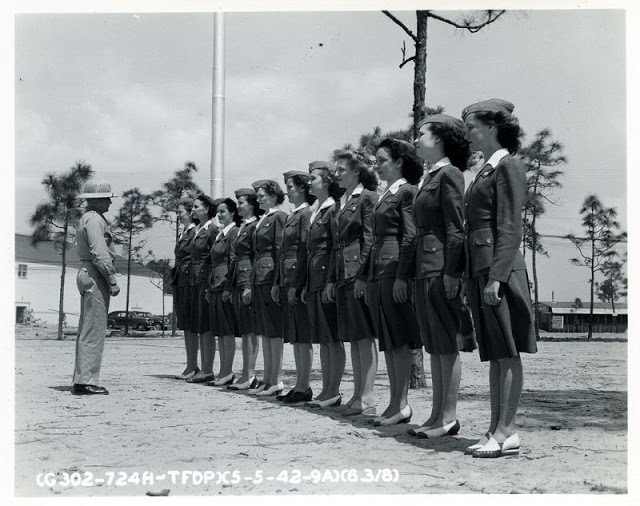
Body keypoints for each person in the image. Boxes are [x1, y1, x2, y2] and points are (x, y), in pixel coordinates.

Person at [461, 99, 537, 458]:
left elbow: (509, 227)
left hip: (499, 271)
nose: (467, 134)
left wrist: (496, 278)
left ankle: (507, 430)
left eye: (472, 127)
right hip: (483, 268)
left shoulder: (508, 165)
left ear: (492, 128)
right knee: (495, 354)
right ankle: (496, 430)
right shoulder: (486, 168)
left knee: (507, 351)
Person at [408, 113, 476, 439]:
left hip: (439, 267)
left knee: (446, 344)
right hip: (424, 267)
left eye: (422, 133)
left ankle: (448, 417)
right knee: (434, 345)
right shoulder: (430, 176)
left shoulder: (450, 174)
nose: (416, 138)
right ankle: (436, 415)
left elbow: (456, 228)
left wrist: (452, 271)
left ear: (439, 138)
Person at [368, 138, 422, 425]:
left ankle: (401, 404)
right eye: (376, 161)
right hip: (381, 268)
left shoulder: (406, 192)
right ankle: (394, 403)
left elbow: (411, 235)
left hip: (394, 268)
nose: (377, 166)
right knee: (389, 341)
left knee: (399, 340)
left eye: (382, 160)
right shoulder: (386, 194)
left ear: (399, 162)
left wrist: (403, 276)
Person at [331, 150, 379, 416]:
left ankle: (368, 396)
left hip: (357, 272)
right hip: (343, 273)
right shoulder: (344, 200)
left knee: (364, 335)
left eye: (341, 170)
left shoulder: (367, 198)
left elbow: (369, 239)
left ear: (356, 172)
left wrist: (363, 275)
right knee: (354, 337)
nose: (336, 174)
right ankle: (358, 393)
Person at [72, 182, 120, 396]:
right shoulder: (94, 220)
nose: (110, 202)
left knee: (88, 327)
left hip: (88, 271)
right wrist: (112, 279)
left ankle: (82, 378)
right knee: (94, 328)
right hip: (95, 273)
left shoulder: (90, 218)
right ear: (96, 200)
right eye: (106, 198)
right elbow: (100, 253)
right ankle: (85, 381)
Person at [305, 161, 344, 409]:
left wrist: (331, 279)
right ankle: (326, 389)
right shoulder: (317, 210)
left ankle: (334, 390)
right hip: (314, 278)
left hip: (325, 277)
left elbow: (333, 248)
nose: (310, 183)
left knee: (332, 337)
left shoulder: (332, 209)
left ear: (327, 181)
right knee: (323, 338)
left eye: (314, 178)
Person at [273, 171, 315, 403]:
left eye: (290, 186)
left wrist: (298, 283)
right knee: (296, 336)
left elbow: (304, 250)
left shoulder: (306, 214)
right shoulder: (294, 215)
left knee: (303, 335)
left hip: (297, 278)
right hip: (288, 278)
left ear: (301, 188)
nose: (287, 191)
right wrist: (280, 281)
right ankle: (300, 384)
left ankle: (304, 385)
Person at [248, 180, 288, 396]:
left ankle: (276, 379)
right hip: (259, 276)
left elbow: (280, 250)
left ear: (273, 196)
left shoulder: (279, 217)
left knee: (273, 330)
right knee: (265, 331)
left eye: (262, 195)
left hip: (270, 274)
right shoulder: (264, 219)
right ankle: (267, 379)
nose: (258, 199)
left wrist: (277, 281)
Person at [225, 188, 263, 391]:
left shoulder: (255, 226)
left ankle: (250, 374)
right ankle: (246, 373)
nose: (238, 206)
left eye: (241, 203)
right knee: (245, 331)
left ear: (252, 205)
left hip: (249, 280)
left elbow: (256, 257)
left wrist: (249, 285)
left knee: (251, 331)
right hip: (239, 280)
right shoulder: (243, 227)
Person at [208, 198, 242, 387]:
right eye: (218, 212)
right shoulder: (221, 233)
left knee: (227, 331)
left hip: (225, 285)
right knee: (220, 332)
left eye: (223, 211)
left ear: (232, 213)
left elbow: (233, 260)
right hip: (215, 284)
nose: (219, 215)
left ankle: (228, 371)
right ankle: (223, 371)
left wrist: (228, 287)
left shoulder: (234, 232)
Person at [186, 194, 218, 384]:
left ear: (206, 209)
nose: (193, 210)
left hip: (205, 281)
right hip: (195, 281)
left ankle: (207, 369)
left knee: (206, 327)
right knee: (200, 326)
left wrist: (210, 285)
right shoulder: (198, 229)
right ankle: (204, 368)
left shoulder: (212, 229)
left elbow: (215, 258)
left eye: (197, 207)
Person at [172, 198, 199, 380]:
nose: (178, 215)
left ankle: (193, 365)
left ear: (190, 213)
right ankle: (191, 364)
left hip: (190, 280)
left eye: (180, 212)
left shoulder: (195, 232)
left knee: (192, 325)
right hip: (181, 279)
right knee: (186, 325)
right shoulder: (184, 233)